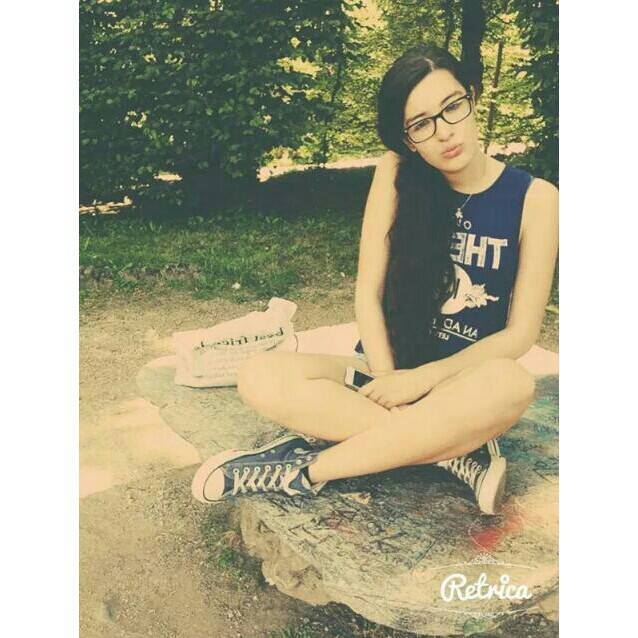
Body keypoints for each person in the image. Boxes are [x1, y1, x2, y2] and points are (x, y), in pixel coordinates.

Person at [190, 43, 559, 515]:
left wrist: (421, 381)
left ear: (472, 96)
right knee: (259, 374)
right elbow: (368, 291)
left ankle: (301, 471)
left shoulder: (536, 198)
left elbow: (520, 334)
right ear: (408, 139)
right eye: (421, 124)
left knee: (513, 383)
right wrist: (389, 381)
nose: (444, 131)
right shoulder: (397, 172)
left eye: (452, 107)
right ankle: (452, 452)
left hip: (463, 385)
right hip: (380, 373)